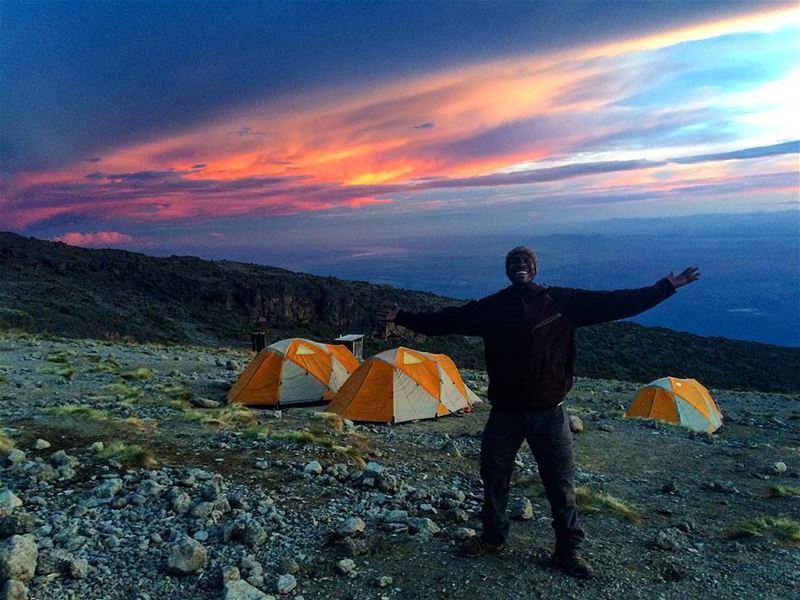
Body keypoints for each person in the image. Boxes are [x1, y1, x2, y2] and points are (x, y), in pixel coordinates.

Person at [377, 246, 700, 579]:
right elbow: (446, 320)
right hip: (505, 414)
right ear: (507, 270)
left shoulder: (563, 302)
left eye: (526, 261)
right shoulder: (492, 307)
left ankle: (568, 551)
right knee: (494, 477)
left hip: (550, 412)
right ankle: (492, 537)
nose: (520, 264)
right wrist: (402, 317)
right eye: (514, 261)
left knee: (560, 483)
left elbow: (617, 302)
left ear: (535, 269)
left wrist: (666, 286)